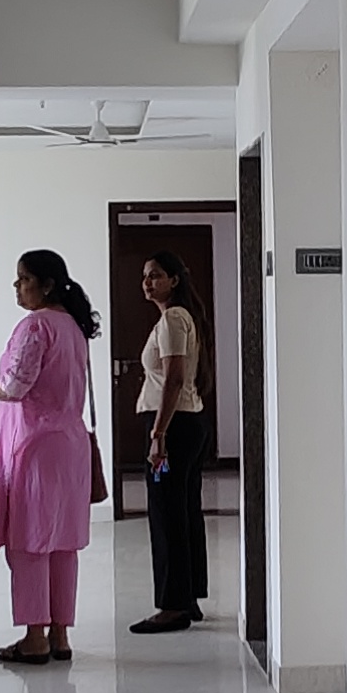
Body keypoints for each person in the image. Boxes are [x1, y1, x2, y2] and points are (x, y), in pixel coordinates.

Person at [0, 250, 98, 665]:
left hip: (35, 447)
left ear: (46, 285)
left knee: (29, 543)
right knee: (63, 543)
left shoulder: (36, 326)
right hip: (70, 445)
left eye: (23, 279)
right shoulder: (73, 327)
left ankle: (34, 637)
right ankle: (59, 633)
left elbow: (15, 386)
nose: (17, 287)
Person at [130, 247, 212, 636]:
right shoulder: (177, 318)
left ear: (174, 280)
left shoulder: (173, 320)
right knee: (182, 511)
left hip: (173, 429)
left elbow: (174, 378)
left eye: (156, 275)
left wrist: (158, 435)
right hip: (184, 424)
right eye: (146, 276)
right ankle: (187, 597)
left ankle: (173, 605)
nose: (148, 282)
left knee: (166, 513)